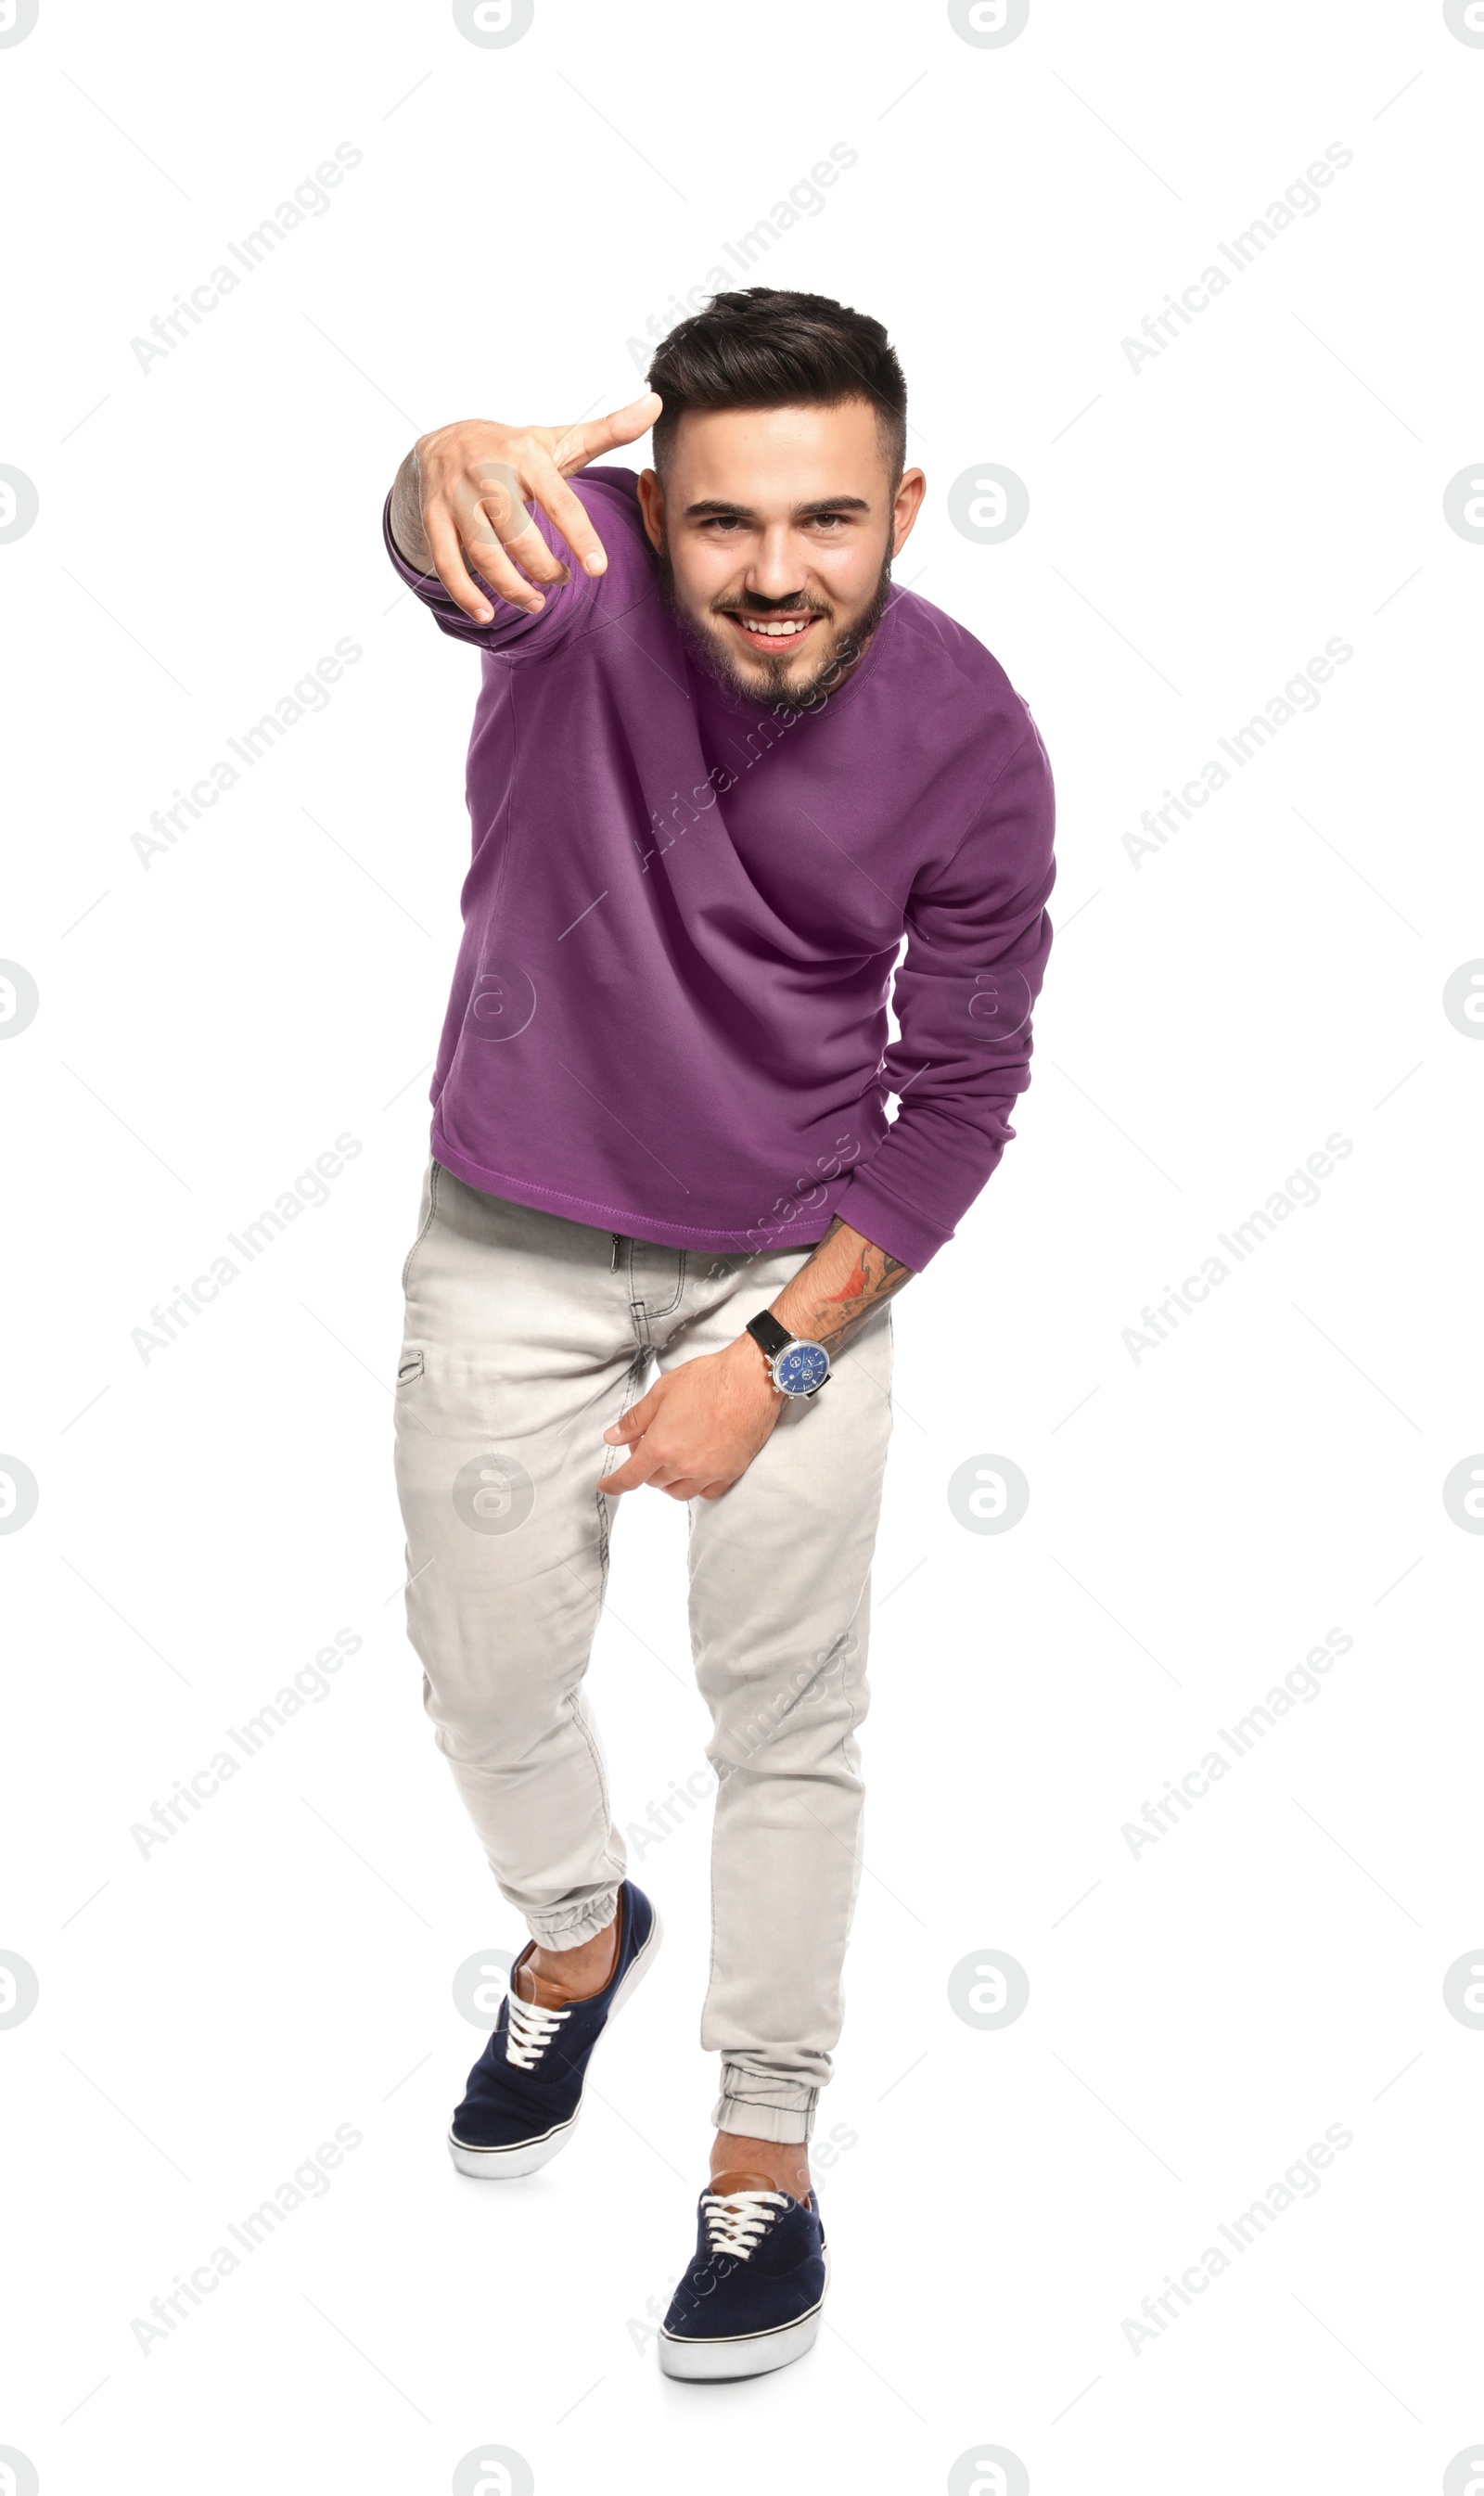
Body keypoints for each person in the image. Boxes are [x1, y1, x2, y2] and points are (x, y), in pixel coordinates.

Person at [384, 288, 1055, 2380]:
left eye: (830, 519)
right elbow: (444, 530)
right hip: (503, 1231)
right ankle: (575, 1937)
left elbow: (952, 1100)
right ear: (648, 510)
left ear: (905, 509)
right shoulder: (570, 589)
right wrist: (431, 473)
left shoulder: (970, 737)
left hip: (785, 1271)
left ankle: (757, 2143)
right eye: (726, 523)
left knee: (787, 1725)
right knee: (481, 1671)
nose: (776, 572)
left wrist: (768, 1361)